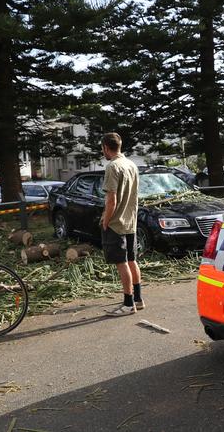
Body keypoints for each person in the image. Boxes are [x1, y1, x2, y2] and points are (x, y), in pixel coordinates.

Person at [100, 132, 144, 316]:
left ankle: (127, 304)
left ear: (105, 147)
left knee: (121, 262)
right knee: (132, 260)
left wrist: (106, 220)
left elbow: (112, 200)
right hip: (131, 220)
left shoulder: (113, 167)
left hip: (117, 223)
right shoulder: (131, 164)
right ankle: (138, 299)